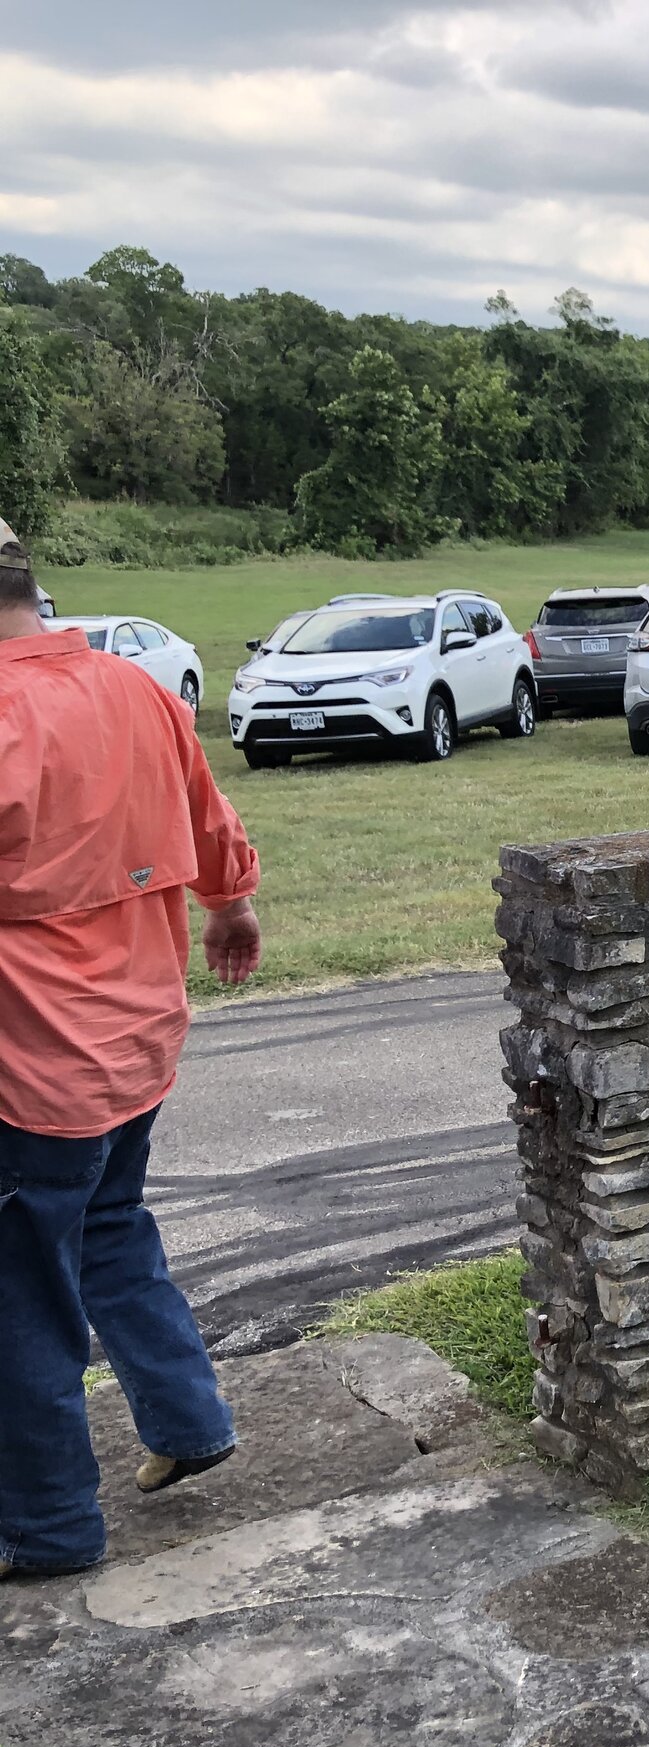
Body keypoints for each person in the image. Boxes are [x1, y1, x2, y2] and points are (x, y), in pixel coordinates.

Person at [0, 518, 264, 1581]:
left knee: (22, 1296)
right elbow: (210, 820)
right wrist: (231, 906)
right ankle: (188, 1419)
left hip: (31, 1065)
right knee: (110, 1226)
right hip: (140, 1036)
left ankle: (47, 1526)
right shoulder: (136, 688)